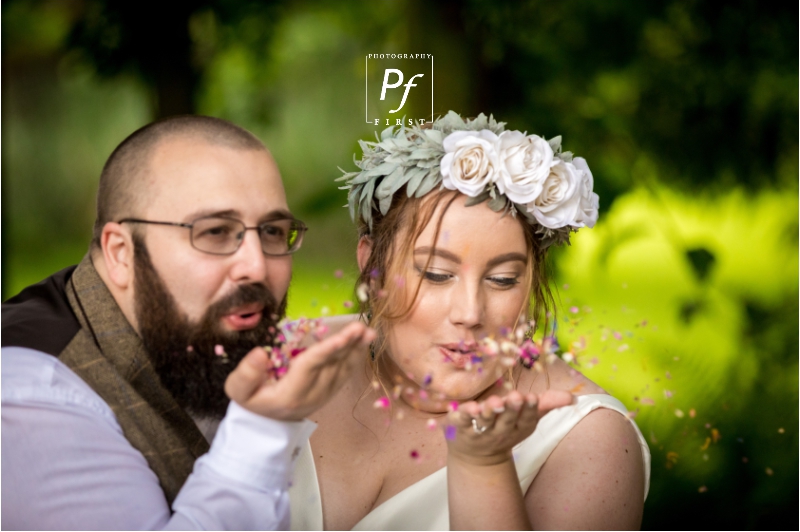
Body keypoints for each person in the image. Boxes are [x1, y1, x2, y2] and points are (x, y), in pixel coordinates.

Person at [1, 115, 375, 530]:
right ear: (121, 253)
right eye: (215, 232)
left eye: (271, 231)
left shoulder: (190, 332)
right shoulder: (35, 402)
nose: (256, 266)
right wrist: (262, 430)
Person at [288, 112, 651, 530]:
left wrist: (484, 470)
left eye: (502, 280)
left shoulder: (589, 441)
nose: (470, 314)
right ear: (372, 265)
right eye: (436, 275)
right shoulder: (284, 360)